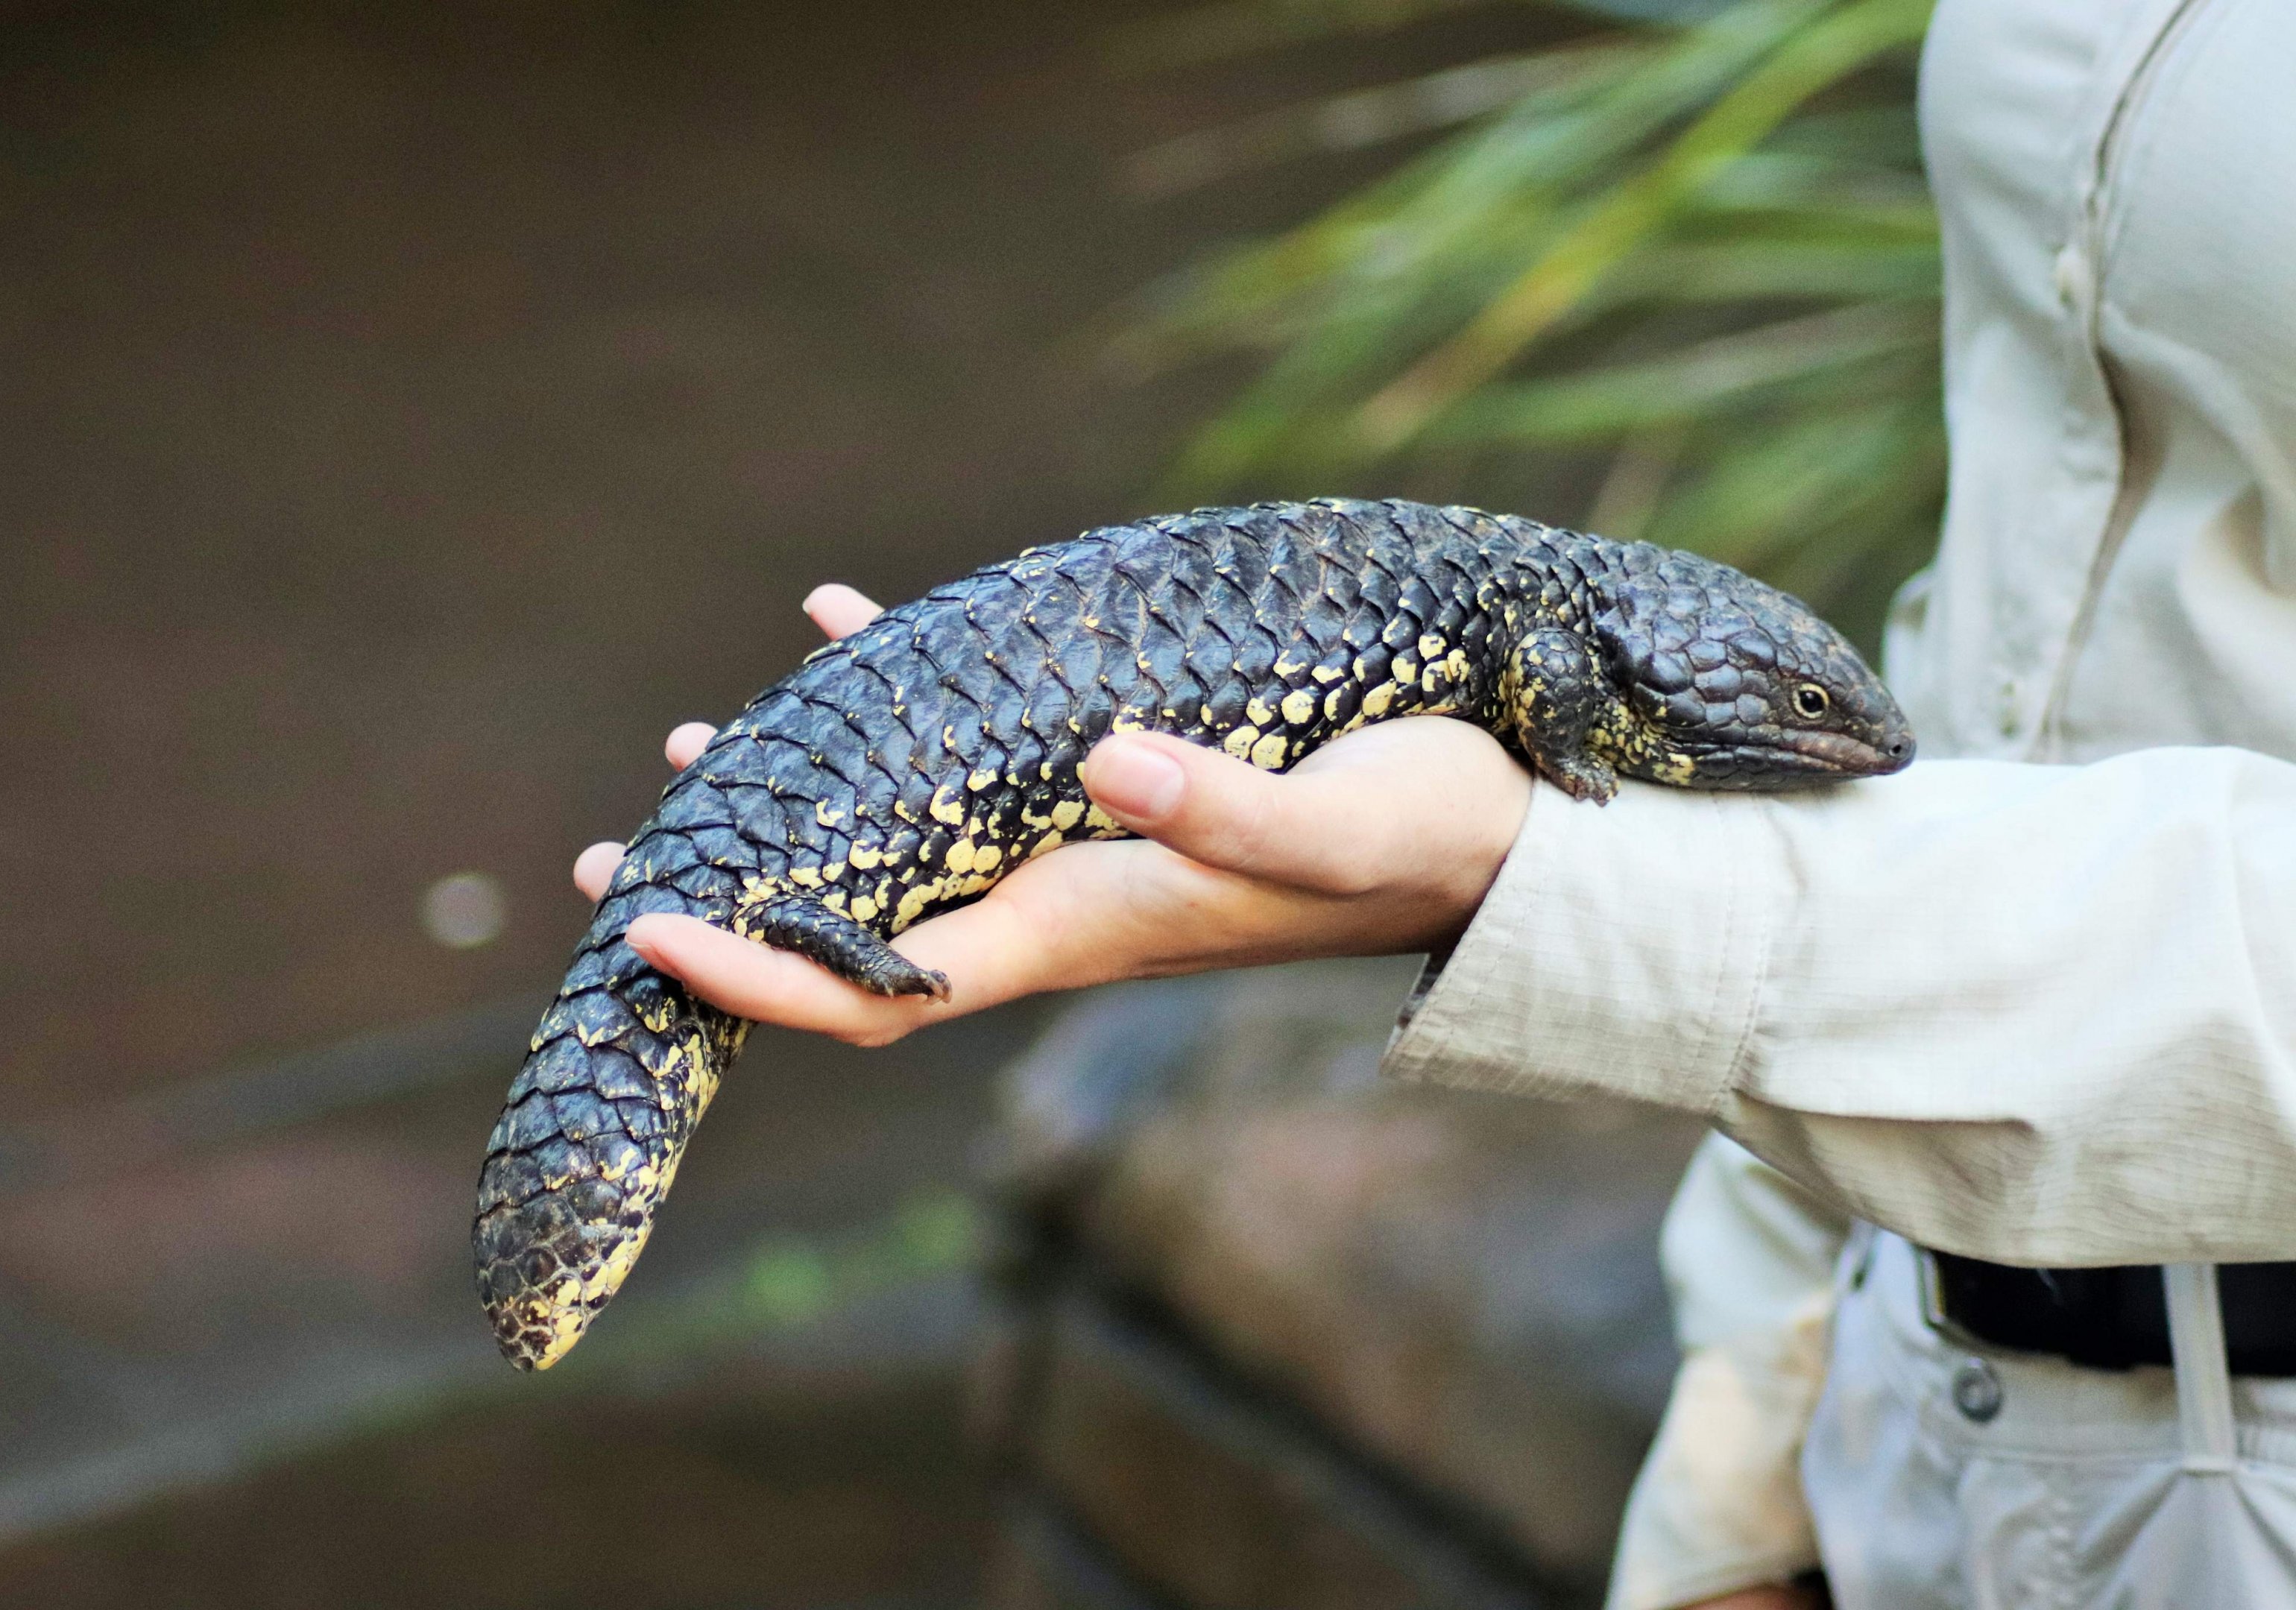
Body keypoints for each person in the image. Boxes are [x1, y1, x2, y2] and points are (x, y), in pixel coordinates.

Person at [575, 1, 2296, 1602]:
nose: (1854, 749)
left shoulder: (1598, 698)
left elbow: (1881, 790)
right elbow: (2019, 608)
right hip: (1918, 1398)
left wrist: (1548, 876)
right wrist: (1742, 1463)